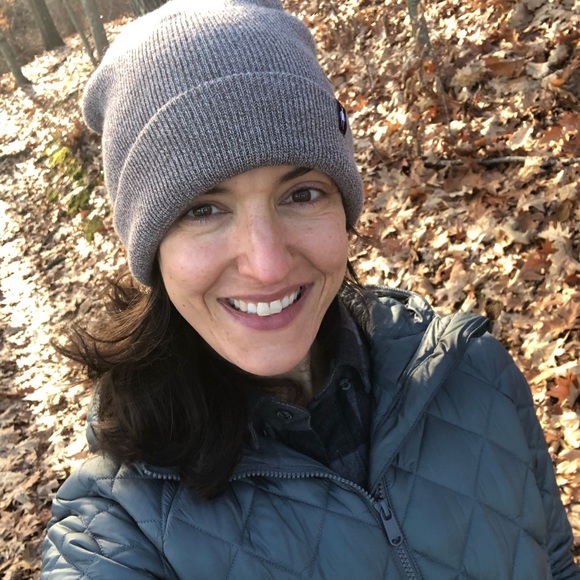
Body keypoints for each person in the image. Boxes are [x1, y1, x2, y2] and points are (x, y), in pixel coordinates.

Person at [41, 0, 579, 578]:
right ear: (151, 250)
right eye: (203, 209)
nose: (268, 265)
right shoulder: (115, 533)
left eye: (301, 195)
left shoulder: (477, 377)